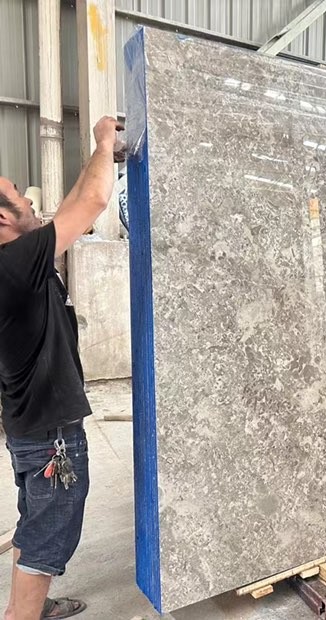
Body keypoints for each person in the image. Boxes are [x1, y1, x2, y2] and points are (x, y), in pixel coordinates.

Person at [0, 116, 124, 620]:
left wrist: (99, 156)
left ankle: (29, 606)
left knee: (35, 521)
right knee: (50, 532)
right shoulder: (14, 263)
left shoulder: (15, 260)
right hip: (50, 434)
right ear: (3, 218)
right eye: (19, 195)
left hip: (28, 426)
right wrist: (103, 141)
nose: (31, 201)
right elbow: (92, 202)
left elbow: (74, 203)